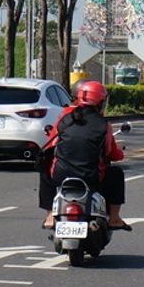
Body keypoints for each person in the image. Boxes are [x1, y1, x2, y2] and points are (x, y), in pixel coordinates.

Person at [39, 80, 130, 231]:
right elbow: (111, 153)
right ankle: (114, 219)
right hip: (91, 177)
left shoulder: (64, 118)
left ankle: (50, 216)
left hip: (61, 175)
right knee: (116, 173)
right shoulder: (103, 125)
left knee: (45, 169)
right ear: (100, 102)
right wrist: (120, 152)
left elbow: (51, 143)